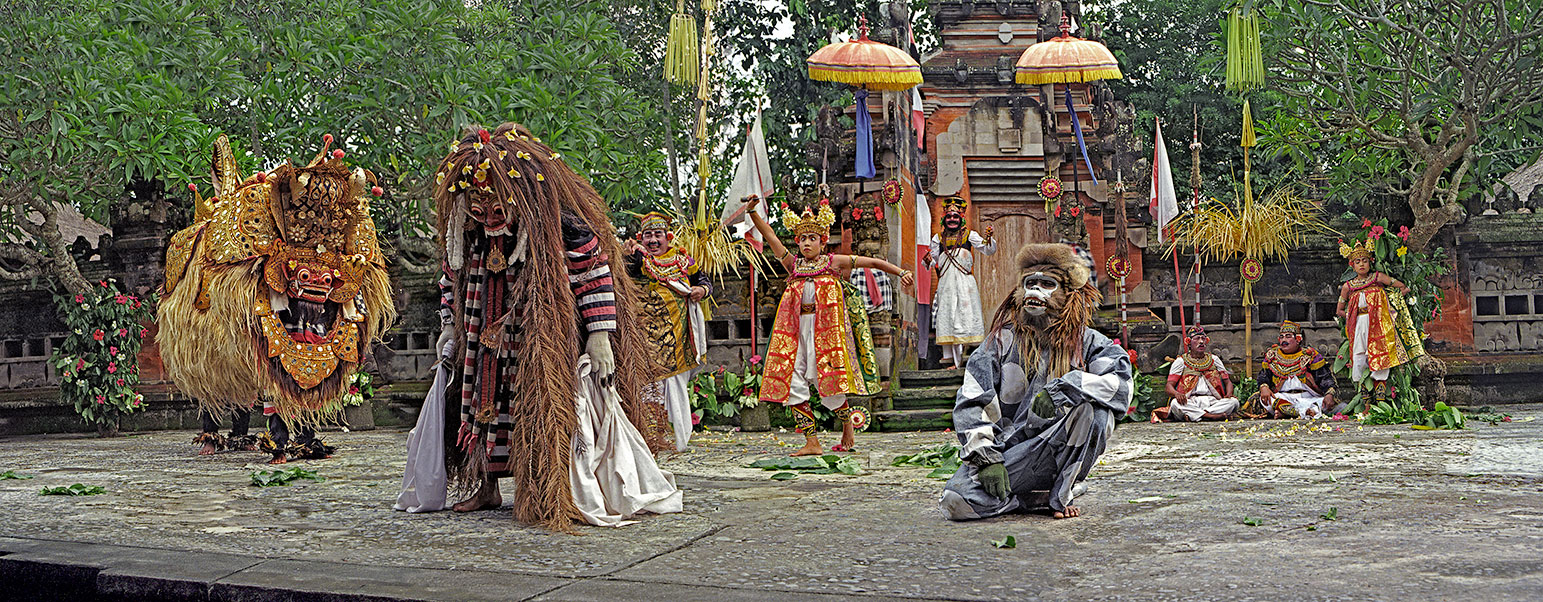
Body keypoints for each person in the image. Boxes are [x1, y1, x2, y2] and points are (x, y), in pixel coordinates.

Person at [427, 124, 677, 530]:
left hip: (537, 338)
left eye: (496, 208)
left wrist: (599, 335)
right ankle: (485, 483)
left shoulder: (561, 228)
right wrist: (449, 327)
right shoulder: (466, 234)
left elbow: (593, 274)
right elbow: (449, 277)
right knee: (479, 405)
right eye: (477, 207)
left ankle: (544, 488)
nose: (487, 216)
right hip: (479, 333)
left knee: (538, 409)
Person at [940, 243, 1132, 520]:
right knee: (955, 503)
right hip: (1011, 453)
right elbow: (971, 401)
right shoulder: (999, 342)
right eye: (1030, 283)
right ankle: (1027, 499)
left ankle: (1061, 491)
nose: (1035, 291)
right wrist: (985, 457)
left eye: (1047, 283)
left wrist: (1066, 388)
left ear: (1067, 294)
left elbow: (1120, 386)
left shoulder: (1087, 341)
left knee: (1097, 413)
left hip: (1060, 447)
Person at [743, 195, 913, 456]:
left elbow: (875, 263)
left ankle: (847, 424)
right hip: (796, 333)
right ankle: (812, 442)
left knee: (829, 387)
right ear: (797, 243)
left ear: (822, 241)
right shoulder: (793, 265)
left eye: (813, 238)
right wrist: (753, 212)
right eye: (802, 239)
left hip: (827, 334)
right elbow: (770, 237)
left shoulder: (833, 262)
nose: (807, 243)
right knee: (793, 384)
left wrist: (901, 272)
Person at [624, 211, 710, 452]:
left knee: (672, 383)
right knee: (649, 385)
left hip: (676, 337)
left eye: (658, 235)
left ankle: (668, 435)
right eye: (648, 235)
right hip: (645, 334)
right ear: (641, 238)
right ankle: (653, 436)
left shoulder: (683, 261)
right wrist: (625, 251)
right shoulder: (636, 259)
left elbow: (703, 281)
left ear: (668, 237)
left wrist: (701, 291)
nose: (653, 240)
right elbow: (623, 272)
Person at [1336, 239, 1424, 405]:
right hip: (1359, 324)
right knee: (1359, 357)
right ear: (1352, 265)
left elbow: (1402, 287)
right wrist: (1350, 314)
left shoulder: (1379, 277)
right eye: (1357, 262)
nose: (1361, 265)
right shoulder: (1348, 286)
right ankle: (1366, 404)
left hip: (1379, 323)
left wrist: (1390, 305)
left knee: (1381, 358)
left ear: (1371, 262)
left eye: (1364, 261)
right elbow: (1339, 310)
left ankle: (1381, 403)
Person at [924, 195, 997, 369]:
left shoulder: (969, 235)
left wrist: (989, 239)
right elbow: (932, 261)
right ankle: (951, 360)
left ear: (961, 219)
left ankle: (967, 359)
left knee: (965, 318)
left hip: (965, 286)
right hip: (946, 286)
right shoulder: (937, 239)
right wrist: (927, 260)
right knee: (948, 317)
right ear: (944, 218)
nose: (952, 219)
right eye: (949, 216)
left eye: (955, 217)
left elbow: (988, 250)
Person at [1241, 321, 1337, 418]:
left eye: (1288, 336)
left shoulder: (1310, 355)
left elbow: (1325, 377)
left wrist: (1329, 394)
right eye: (1281, 337)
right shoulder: (1273, 355)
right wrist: (1264, 387)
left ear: (1298, 339)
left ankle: (1289, 412)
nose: (1284, 340)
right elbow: (1264, 375)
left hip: (1308, 397)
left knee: (1325, 403)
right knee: (1266, 400)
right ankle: (1303, 412)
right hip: (1283, 397)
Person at [1151, 326, 1238, 422]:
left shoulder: (1214, 360)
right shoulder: (1181, 361)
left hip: (1213, 401)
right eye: (1197, 339)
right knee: (1175, 403)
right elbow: (1168, 387)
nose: (1201, 342)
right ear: (1189, 343)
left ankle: (1200, 415)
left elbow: (1227, 381)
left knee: (1233, 402)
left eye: (1203, 339)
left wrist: (1229, 394)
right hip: (1190, 401)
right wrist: (1177, 394)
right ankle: (1211, 416)